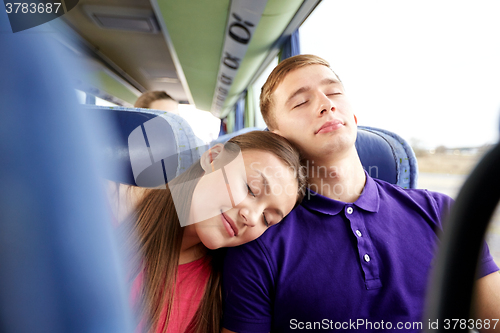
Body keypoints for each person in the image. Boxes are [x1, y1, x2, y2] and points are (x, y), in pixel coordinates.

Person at [221, 55, 500, 332]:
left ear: (353, 116)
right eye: (301, 101)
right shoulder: (258, 244)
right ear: (277, 138)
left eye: (334, 92)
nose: (326, 104)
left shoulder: (440, 211)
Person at [120, 130, 306, 333]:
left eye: (266, 219)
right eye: (251, 189)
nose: (252, 218)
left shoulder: (219, 289)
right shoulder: (107, 205)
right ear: (212, 158)